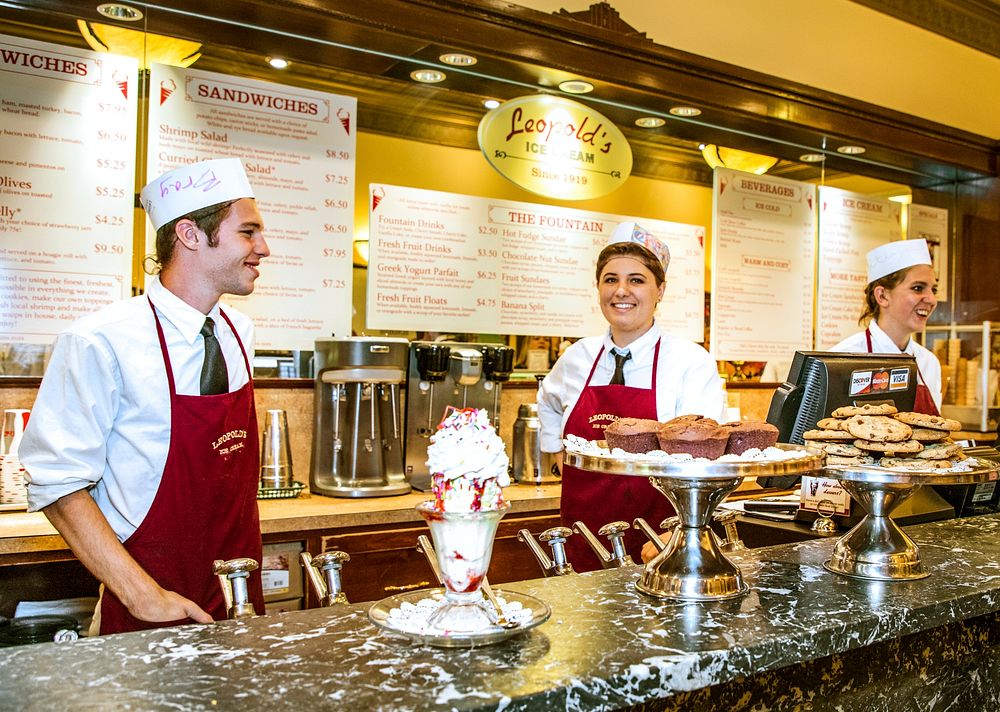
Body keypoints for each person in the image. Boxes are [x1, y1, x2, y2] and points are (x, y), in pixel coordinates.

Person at [20, 158, 270, 635]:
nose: (264, 248)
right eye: (248, 232)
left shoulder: (240, 333)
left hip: (237, 598)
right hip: (145, 607)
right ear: (191, 235)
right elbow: (57, 483)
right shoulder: (100, 340)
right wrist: (143, 595)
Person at [537, 222, 726, 571]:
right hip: (583, 534)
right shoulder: (577, 357)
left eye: (636, 280)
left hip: (660, 540)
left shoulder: (690, 361)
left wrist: (687, 529)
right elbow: (547, 401)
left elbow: (707, 457)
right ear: (598, 287)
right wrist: (555, 452)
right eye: (611, 279)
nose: (621, 291)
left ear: (660, 290)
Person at [830, 238, 941, 415]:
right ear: (882, 296)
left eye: (933, 290)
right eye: (918, 288)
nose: (932, 300)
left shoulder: (929, 363)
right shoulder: (840, 360)